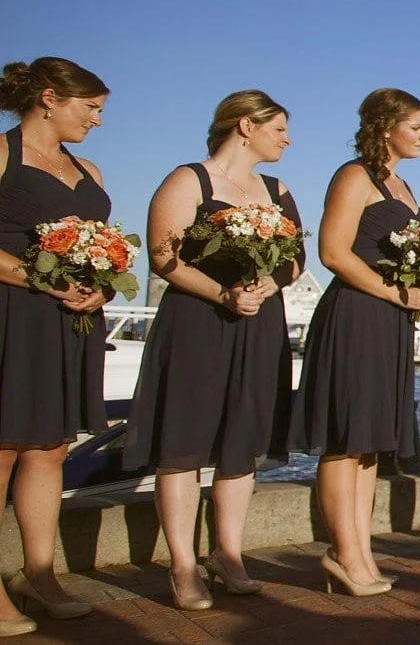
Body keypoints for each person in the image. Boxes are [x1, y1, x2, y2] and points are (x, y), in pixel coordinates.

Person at [124, 90, 305, 610]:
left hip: (259, 323)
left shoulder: (278, 188)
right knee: (183, 439)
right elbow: (164, 257)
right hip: (198, 321)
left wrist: (270, 285)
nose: (287, 140)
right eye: (279, 129)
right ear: (245, 125)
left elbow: (296, 258)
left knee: (241, 439)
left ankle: (229, 553)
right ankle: (182, 565)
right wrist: (223, 293)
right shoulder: (189, 180)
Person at [288, 88, 420, 597]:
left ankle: (361, 551)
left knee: (370, 443)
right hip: (355, 313)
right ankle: (342, 554)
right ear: (387, 126)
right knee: (345, 438)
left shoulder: (403, 185)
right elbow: (332, 252)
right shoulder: (355, 176)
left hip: (391, 321)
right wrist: (398, 291)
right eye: (416, 126)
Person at [0, 57, 111, 635]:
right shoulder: (1, 153)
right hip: (10, 314)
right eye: (89, 107)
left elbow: (109, 250)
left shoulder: (87, 168)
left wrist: (100, 288)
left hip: (68, 323)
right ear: (49, 97)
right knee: (3, 448)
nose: (96, 120)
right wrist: (39, 279)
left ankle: (38, 574)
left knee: (49, 447)